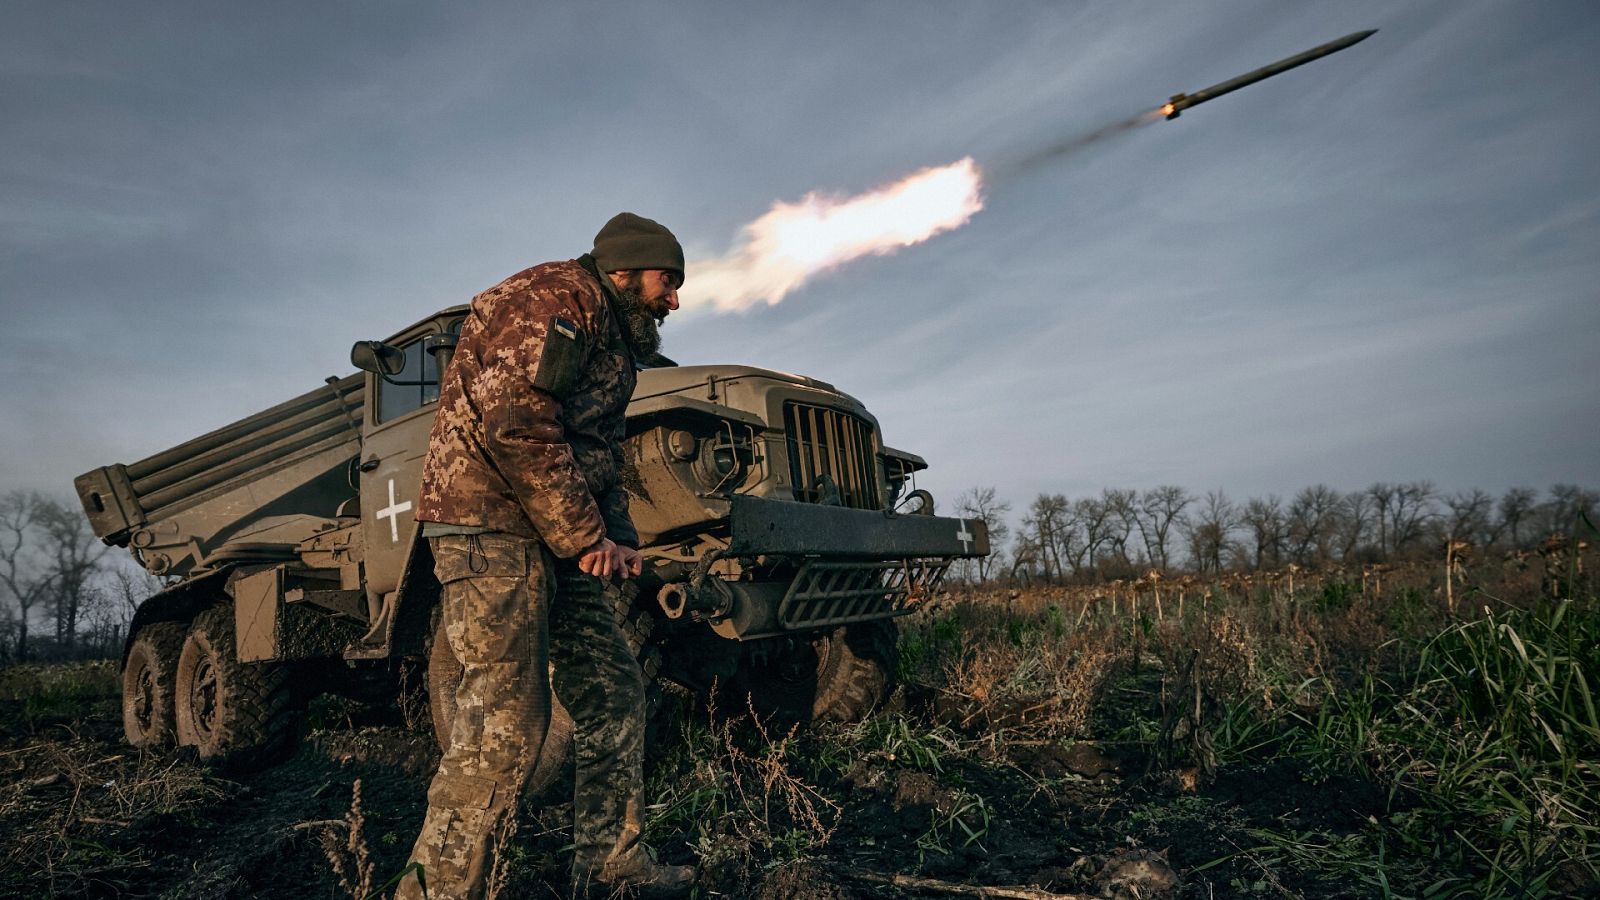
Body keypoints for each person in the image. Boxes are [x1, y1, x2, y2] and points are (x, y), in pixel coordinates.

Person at [396, 213, 693, 899]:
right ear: (624, 269)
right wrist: (586, 537)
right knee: (504, 726)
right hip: (491, 528)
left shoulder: (614, 336)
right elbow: (518, 425)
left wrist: (617, 539)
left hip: (553, 538)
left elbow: (600, 452)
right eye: (666, 280)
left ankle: (611, 869)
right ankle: (434, 891)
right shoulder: (554, 301)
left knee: (616, 695)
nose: (674, 299)